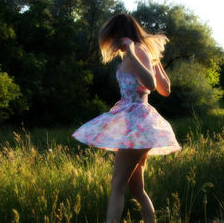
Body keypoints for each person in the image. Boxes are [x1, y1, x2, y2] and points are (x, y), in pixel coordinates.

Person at [72, 13, 182, 223]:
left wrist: (132, 53)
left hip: (137, 125)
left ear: (120, 35)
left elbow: (151, 86)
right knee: (136, 188)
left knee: (117, 185)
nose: (112, 44)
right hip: (137, 125)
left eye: (112, 38)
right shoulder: (144, 53)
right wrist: (153, 61)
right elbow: (165, 89)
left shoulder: (135, 52)